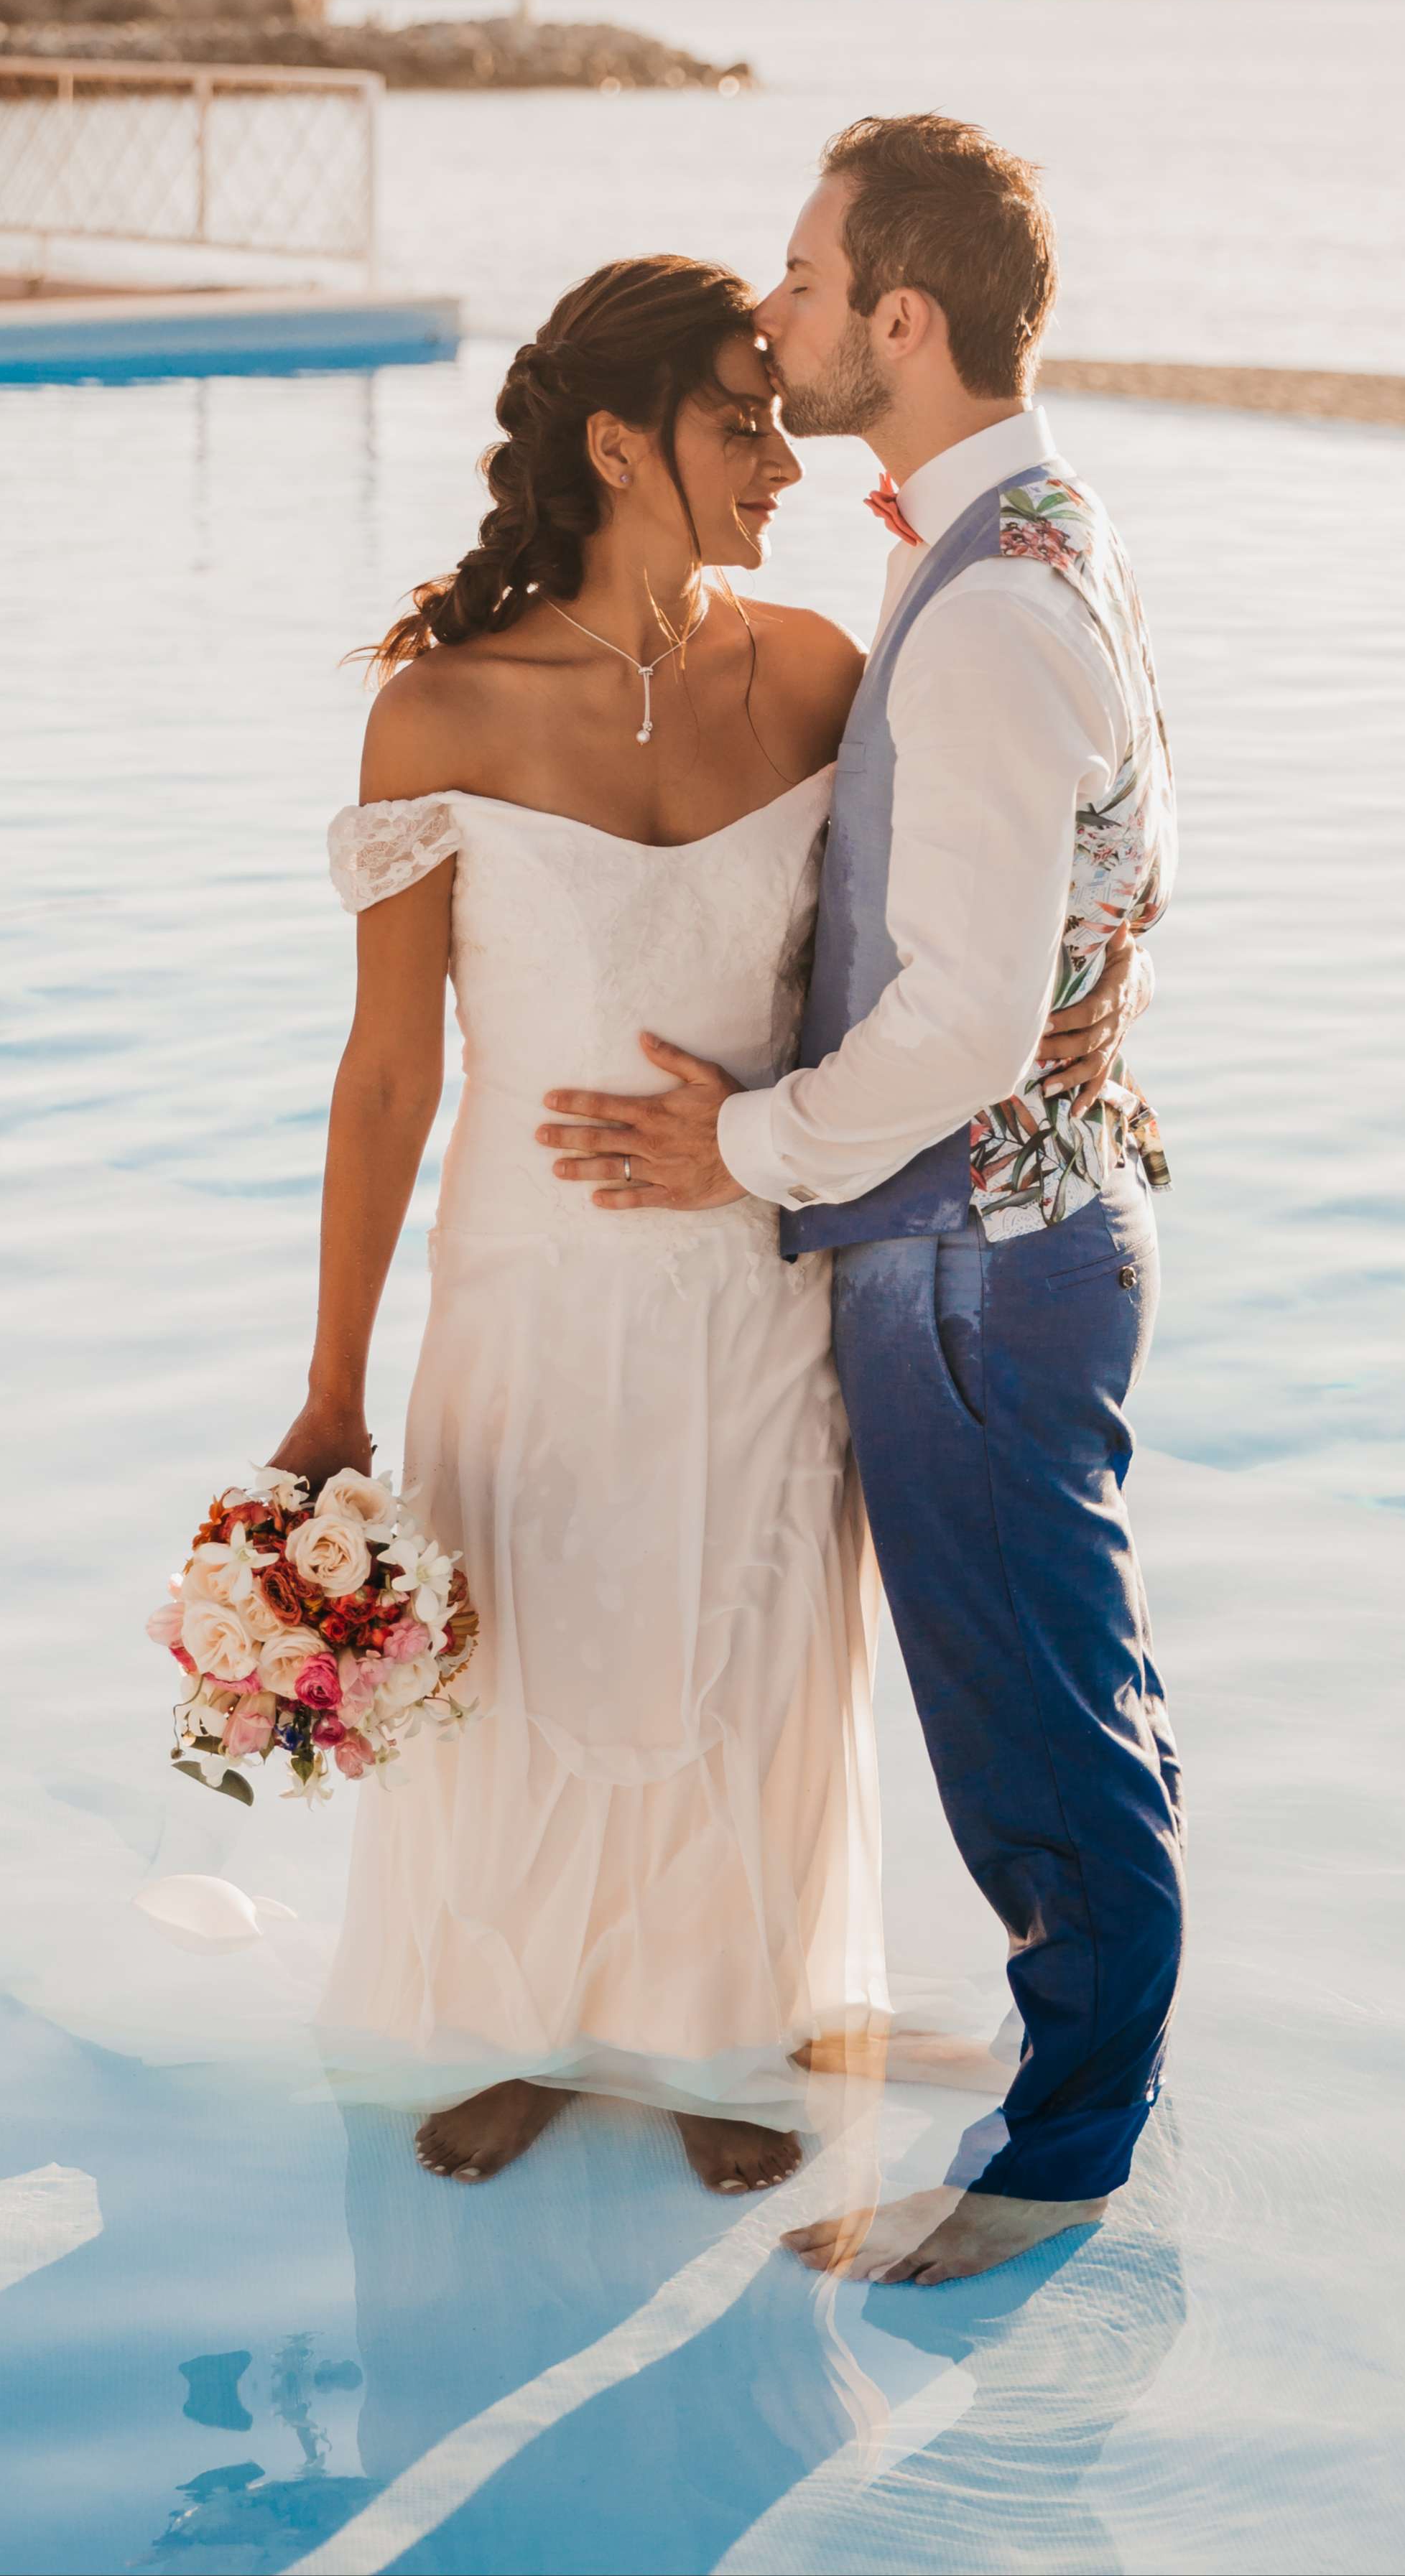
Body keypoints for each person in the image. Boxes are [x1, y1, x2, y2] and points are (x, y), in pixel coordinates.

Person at [268, 252, 1138, 2198]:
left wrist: (1095, 1003)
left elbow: (963, 929)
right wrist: (331, 1389)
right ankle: (514, 2026)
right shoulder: (439, 715)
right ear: (613, 445)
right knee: (526, 1651)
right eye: (741, 425)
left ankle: (718, 2025)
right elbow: (388, 1075)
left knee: (744, 1643)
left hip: (757, 1274)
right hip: (527, 1284)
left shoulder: (821, 671)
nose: (785, 460)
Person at [539, 117, 1185, 2287]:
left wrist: (732, 1146)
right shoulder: (1040, 534)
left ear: (902, 318)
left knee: (1037, 1737)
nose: (776, 309)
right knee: (1062, 1704)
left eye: (806, 278)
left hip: (974, 1267)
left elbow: (963, 1030)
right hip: (1018, 1235)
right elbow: (1108, 883)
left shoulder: (988, 605)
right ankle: (1073, 2087)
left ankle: (1058, 2161)